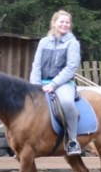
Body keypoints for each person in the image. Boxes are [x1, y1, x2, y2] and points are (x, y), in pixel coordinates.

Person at [30, 9, 82, 156]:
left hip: (63, 83)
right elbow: (37, 65)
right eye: (62, 22)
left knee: (66, 103)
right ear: (54, 23)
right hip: (40, 82)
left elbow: (71, 67)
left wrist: (53, 84)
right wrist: (35, 84)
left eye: (67, 22)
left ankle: (72, 140)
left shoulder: (73, 43)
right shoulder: (44, 42)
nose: (65, 25)